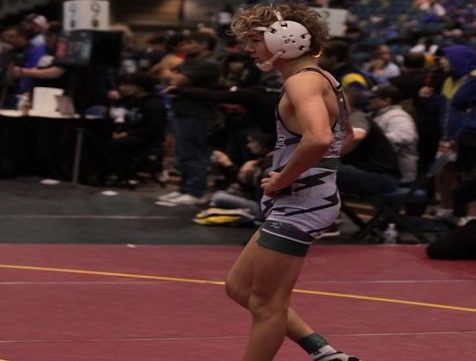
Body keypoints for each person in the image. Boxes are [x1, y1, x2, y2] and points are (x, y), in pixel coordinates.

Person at [225, 3, 358, 361]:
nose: (249, 49)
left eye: (255, 40)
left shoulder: (302, 82)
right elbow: (349, 136)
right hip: (303, 198)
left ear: (284, 38)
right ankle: (323, 352)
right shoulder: (320, 78)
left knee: (267, 305)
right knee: (238, 287)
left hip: (301, 204)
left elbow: (317, 138)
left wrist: (283, 178)